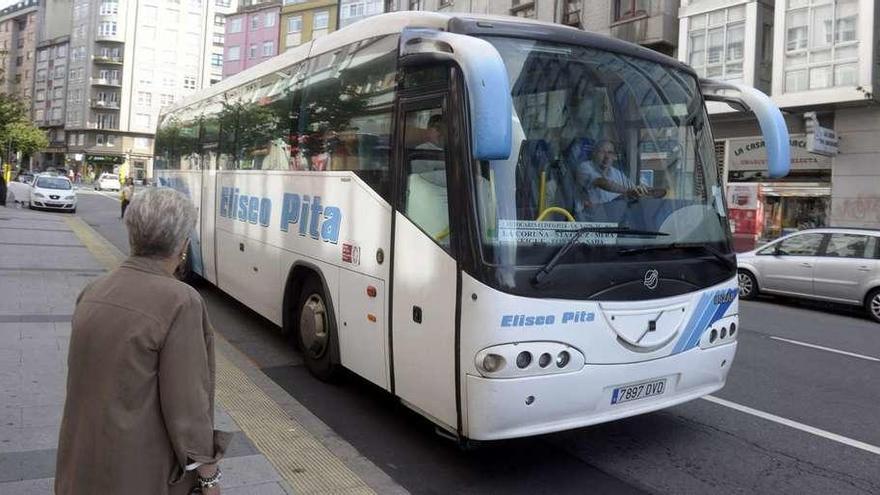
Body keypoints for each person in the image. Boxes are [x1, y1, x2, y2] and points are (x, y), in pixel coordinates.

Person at [55, 188, 230, 495]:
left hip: (80, 466)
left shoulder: (94, 291)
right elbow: (188, 408)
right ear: (182, 245)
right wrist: (209, 478)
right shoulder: (180, 301)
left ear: (132, 233)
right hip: (139, 474)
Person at [574, 140, 648, 211]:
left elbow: (634, 189)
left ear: (614, 156)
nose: (607, 157)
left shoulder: (616, 173)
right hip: (586, 219)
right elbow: (601, 182)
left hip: (612, 217)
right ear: (594, 153)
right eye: (602, 152)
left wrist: (643, 191)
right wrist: (628, 191)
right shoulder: (585, 167)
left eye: (610, 153)